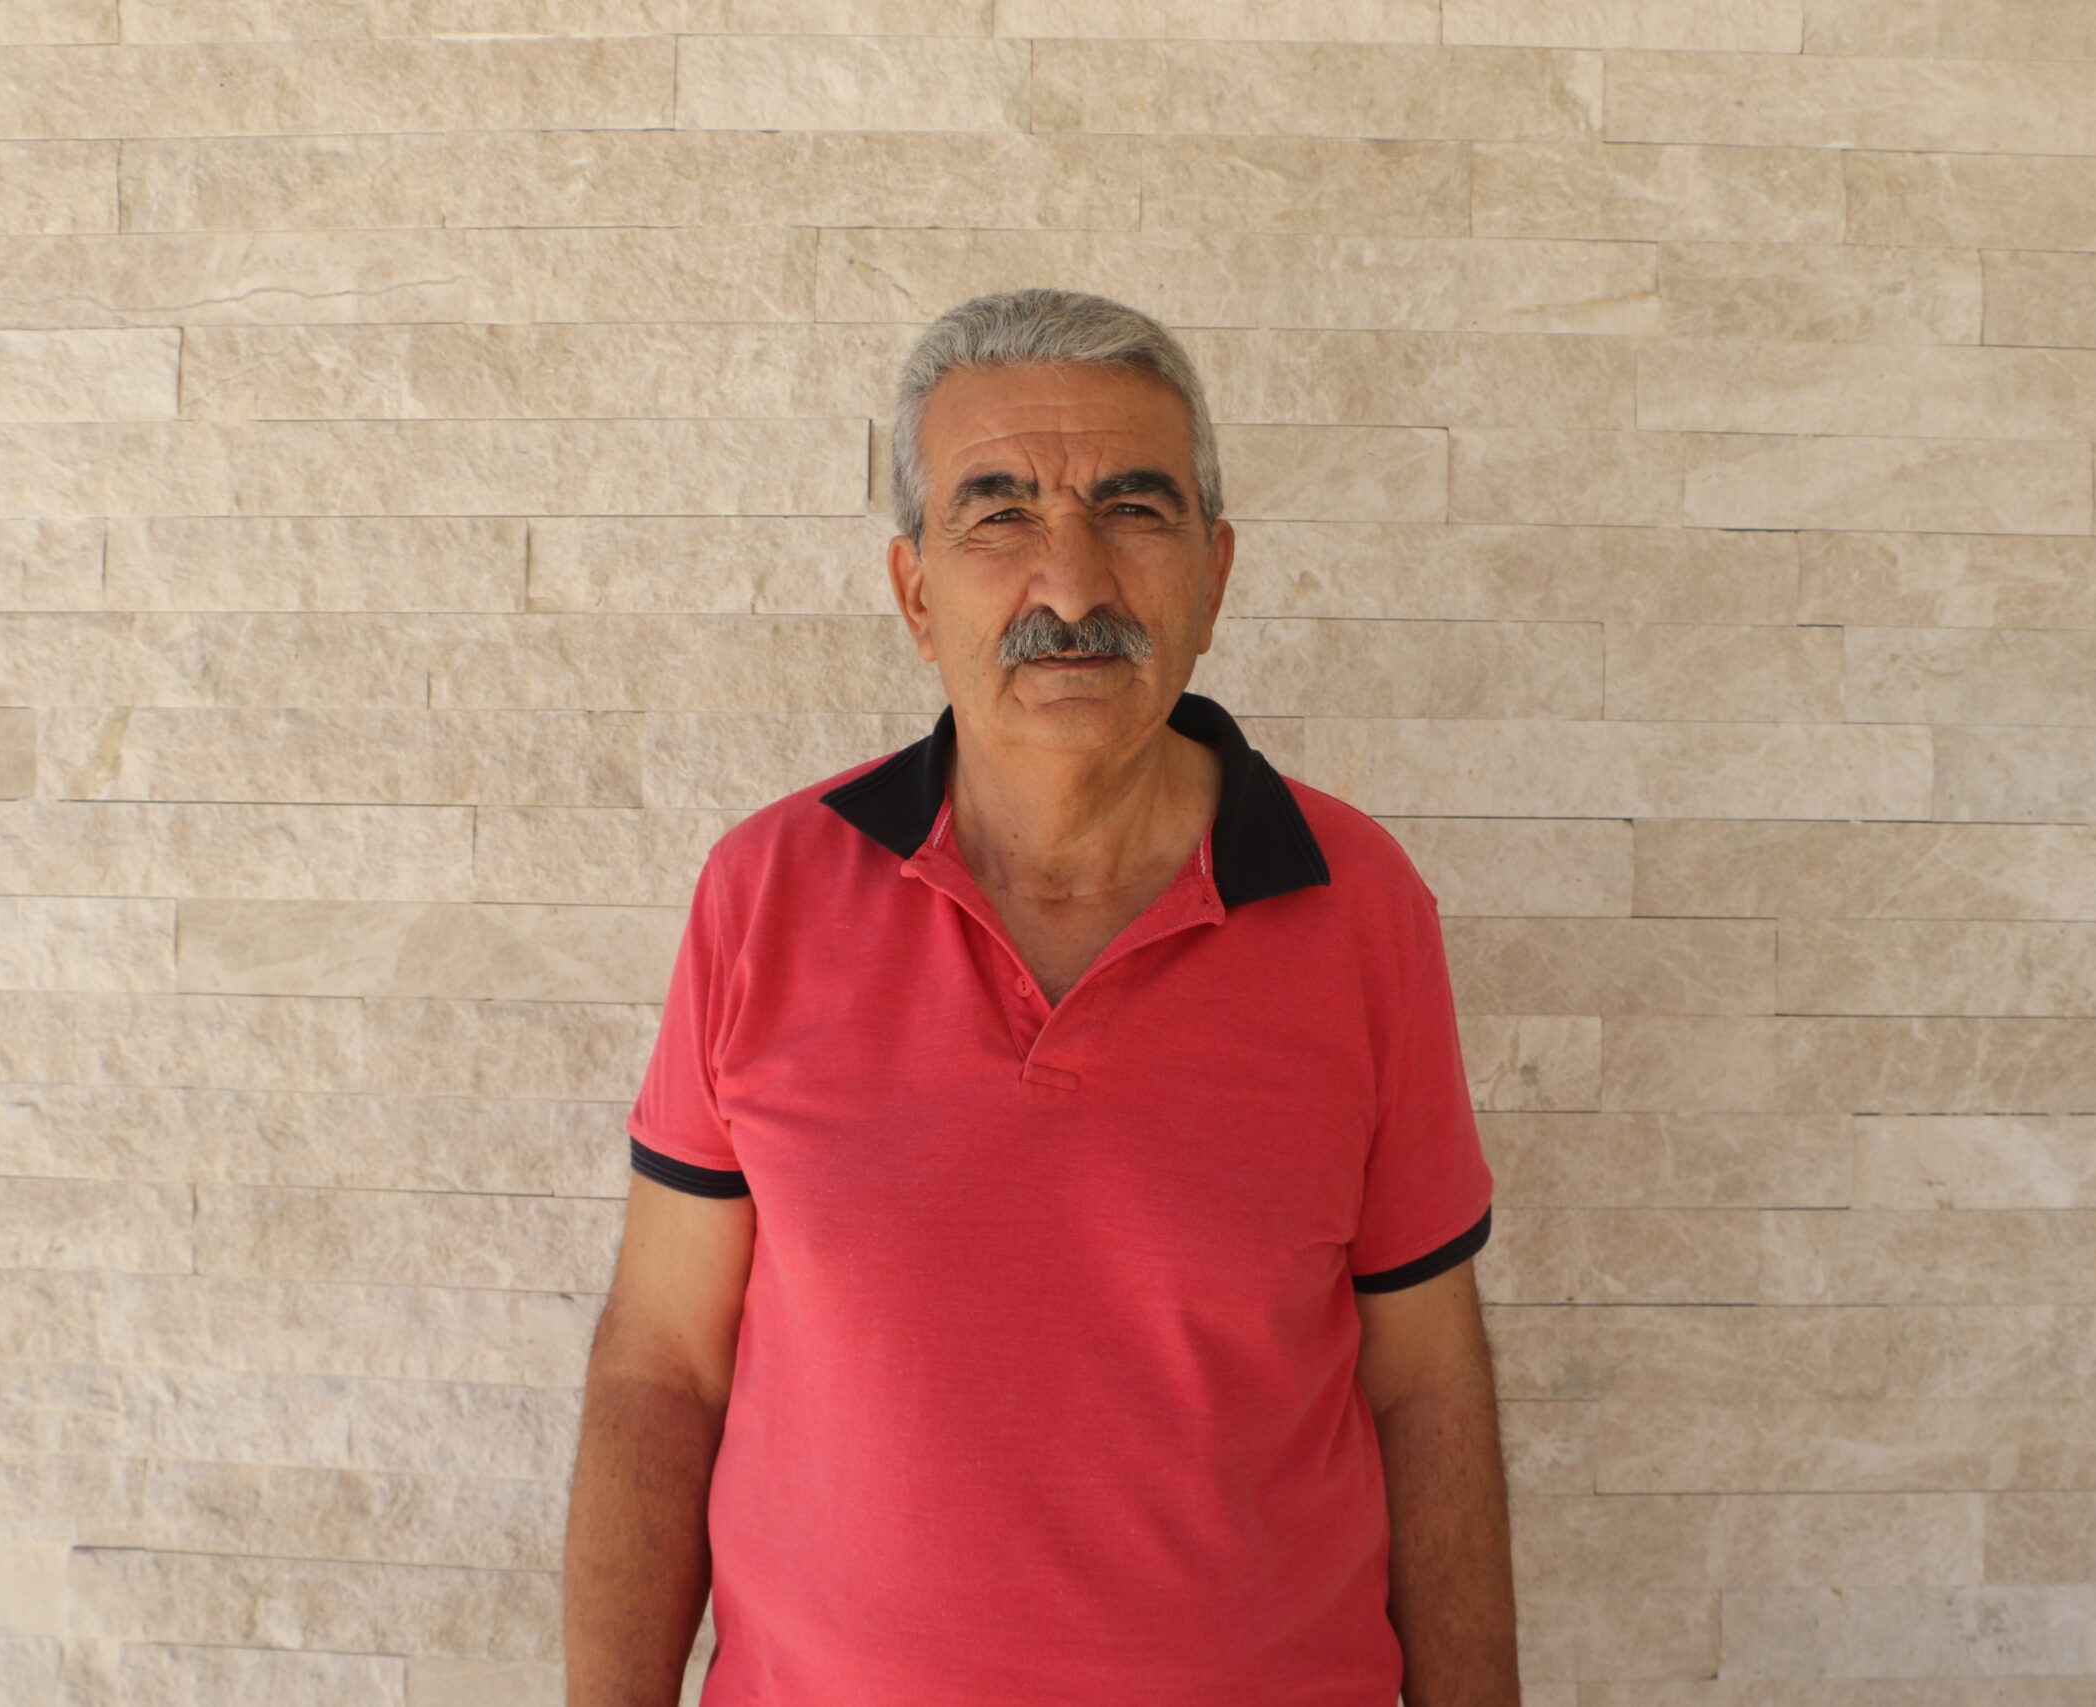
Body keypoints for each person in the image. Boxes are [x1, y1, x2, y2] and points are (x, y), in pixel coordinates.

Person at [563, 287, 1520, 1707]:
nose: (1070, 587)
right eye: (999, 513)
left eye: (1133, 509)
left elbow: (1423, 1383)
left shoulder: (1359, 905)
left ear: (1215, 575)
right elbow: (664, 1368)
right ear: (915, 592)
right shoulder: (764, 894)